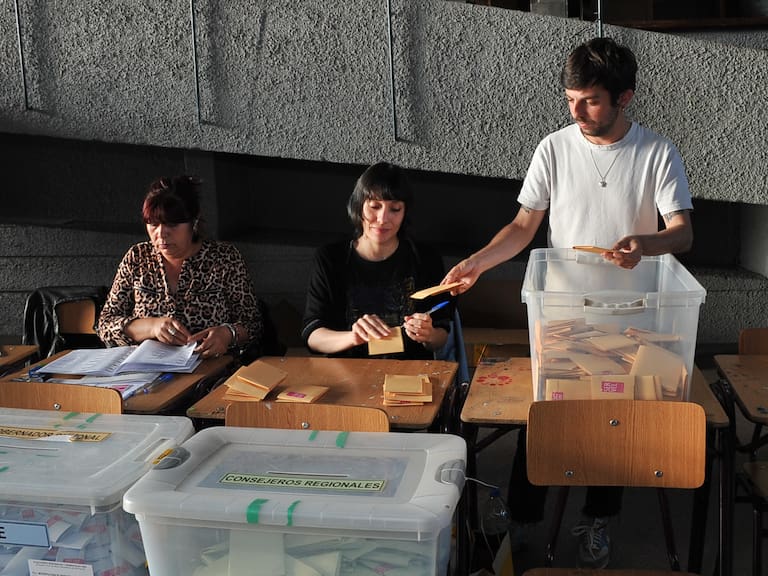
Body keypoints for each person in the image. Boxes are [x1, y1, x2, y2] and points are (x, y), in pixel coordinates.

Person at [443, 37, 693, 568]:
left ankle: (598, 518)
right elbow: (523, 226)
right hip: (560, 315)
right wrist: (477, 263)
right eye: (570, 99)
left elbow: (682, 233)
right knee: (545, 417)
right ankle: (522, 517)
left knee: (610, 424)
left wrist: (646, 244)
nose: (577, 111)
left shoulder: (657, 152)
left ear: (626, 98)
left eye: (591, 101)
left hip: (630, 322)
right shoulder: (553, 148)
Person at [97, 175, 263, 360]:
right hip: (146, 370)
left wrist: (228, 334)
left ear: (194, 221)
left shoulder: (224, 258)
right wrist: (151, 327)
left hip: (210, 371)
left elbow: (252, 324)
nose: (161, 234)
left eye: (172, 224)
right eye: (153, 224)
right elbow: (105, 324)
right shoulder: (137, 258)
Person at [301, 162, 450, 359]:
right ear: (358, 206)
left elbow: (442, 334)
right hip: (348, 373)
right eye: (374, 206)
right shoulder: (330, 258)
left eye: (395, 209)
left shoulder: (425, 258)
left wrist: (428, 334)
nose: (382, 218)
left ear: (405, 213)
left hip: (411, 375)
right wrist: (354, 337)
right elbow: (312, 334)